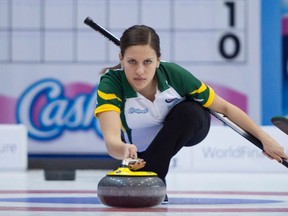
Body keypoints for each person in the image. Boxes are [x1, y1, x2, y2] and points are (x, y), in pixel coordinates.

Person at [94, 25, 288, 202]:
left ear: (158, 60)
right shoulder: (111, 84)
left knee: (191, 110)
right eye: (131, 61)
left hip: (188, 128)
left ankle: (154, 176)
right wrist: (124, 150)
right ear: (121, 58)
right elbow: (112, 142)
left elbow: (226, 109)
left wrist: (265, 139)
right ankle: (150, 172)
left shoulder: (175, 75)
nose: (140, 71)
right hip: (141, 149)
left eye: (147, 62)